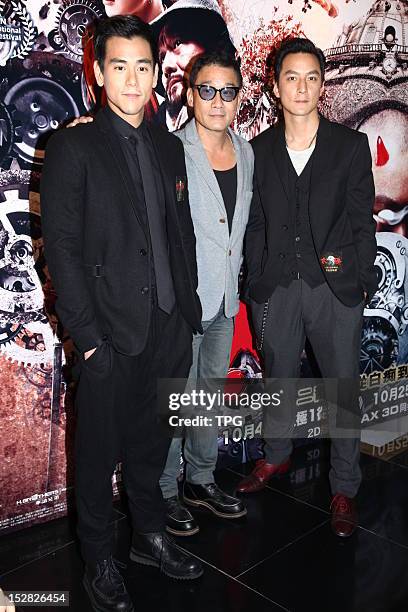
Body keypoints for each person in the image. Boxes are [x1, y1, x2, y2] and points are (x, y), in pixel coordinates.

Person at [41, 15, 203, 612]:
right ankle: (99, 558)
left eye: (144, 67)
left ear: (156, 74)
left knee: (151, 444)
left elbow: (177, 230)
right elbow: (61, 248)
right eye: (119, 67)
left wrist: (187, 312)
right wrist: (86, 341)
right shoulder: (73, 145)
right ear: (98, 72)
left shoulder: (167, 143)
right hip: (106, 334)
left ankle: (149, 536)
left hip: (166, 327)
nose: (133, 80)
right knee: (97, 455)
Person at [237, 38, 378, 538]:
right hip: (276, 287)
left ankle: (344, 485)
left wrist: (361, 281)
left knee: (341, 389)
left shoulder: (349, 146)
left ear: (323, 84)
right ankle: (275, 456)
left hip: (336, 289)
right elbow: (253, 224)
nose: (301, 87)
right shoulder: (256, 151)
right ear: (276, 86)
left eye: (311, 77)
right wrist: (256, 279)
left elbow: (364, 221)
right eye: (291, 77)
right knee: (278, 377)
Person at [159, 51, 253, 536]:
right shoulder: (171, 150)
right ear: (192, 94)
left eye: (228, 91)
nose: (218, 101)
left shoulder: (248, 150)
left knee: (209, 393)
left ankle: (199, 478)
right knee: (177, 395)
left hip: (225, 298)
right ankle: (163, 490)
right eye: (208, 90)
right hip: (183, 301)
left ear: (240, 96)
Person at [151, 0, 236, 131]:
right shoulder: (151, 137)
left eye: (177, 43)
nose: (166, 66)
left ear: (214, 46)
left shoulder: (254, 111)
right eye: (162, 57)